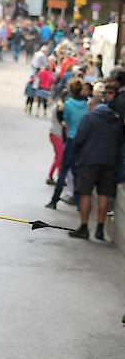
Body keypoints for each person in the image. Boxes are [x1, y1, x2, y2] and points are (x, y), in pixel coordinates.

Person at [69, 98, 123, 239]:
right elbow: (119, 142)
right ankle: (100, 229)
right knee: (103, 195)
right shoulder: (116, 120)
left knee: (85, 193)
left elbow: (79, 139)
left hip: (89, 160)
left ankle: (84, 227)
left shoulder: (89, 117)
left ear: (93, 105)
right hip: (109, 162)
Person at [46, 78, 89, 209]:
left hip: (70, 139)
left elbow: (65, 120)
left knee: (64, 171)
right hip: (82, 141)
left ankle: (54, 200)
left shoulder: (68, 104)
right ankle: (78, 202)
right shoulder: (86, 105)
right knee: (78, 172)